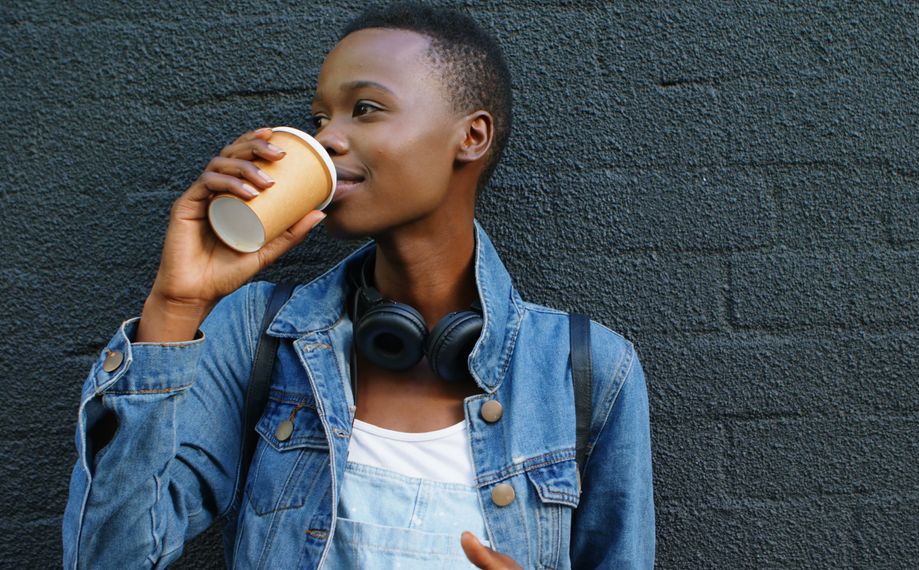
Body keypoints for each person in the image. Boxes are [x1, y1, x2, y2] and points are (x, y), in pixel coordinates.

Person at [62, 3, 654, 568]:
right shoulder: (257, 336)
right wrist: (176, 306)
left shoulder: (586, 369)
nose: (327, 139)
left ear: (471, 136)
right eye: (321, 118)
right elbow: (107, 558)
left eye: (365, 109)